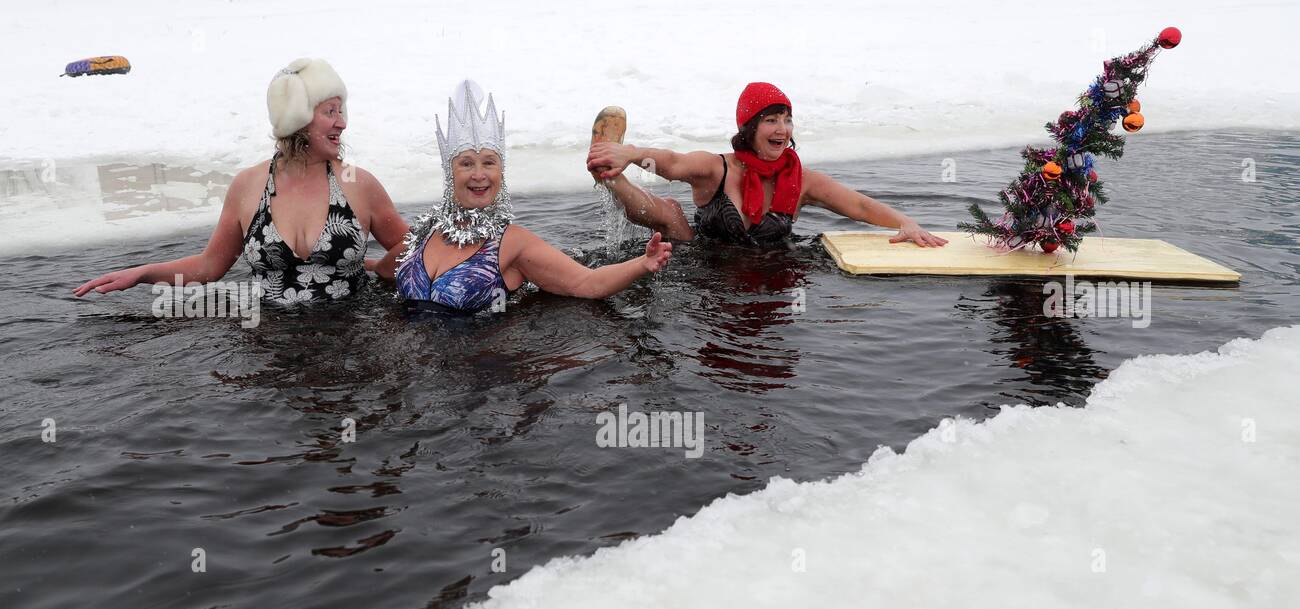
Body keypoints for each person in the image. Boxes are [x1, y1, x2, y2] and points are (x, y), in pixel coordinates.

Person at [75, 58, 409, 305]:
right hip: (271, 347)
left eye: (341, 111)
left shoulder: (357, 184)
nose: (342, 124)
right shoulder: (248, 186)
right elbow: (210, 266)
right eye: (330, 112)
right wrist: (143, 273)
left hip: (349, 339)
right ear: (298, 117)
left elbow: (413, 247)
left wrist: (381, 267)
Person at [372, 80, 671, 312]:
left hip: (477, 383)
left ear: (501, 172)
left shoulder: (512, 242)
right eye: (466, 164)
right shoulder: (425, 232)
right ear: (450, 173)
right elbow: (383, 270)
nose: (479, 174)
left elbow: (585, 283)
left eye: (489, 162)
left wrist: (640, 264)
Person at [586, 81, 948, 249]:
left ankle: (611, 171)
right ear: (751, 128)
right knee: (668, 214)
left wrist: (906, 223)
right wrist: (631, 154)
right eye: (772, 120)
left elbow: (858, 205)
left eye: (787, 120)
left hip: (769, 278)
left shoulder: (801, 181)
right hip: (700, 262)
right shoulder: (718, 168)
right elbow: (673, 163)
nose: (782, 130)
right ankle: (611, 173)